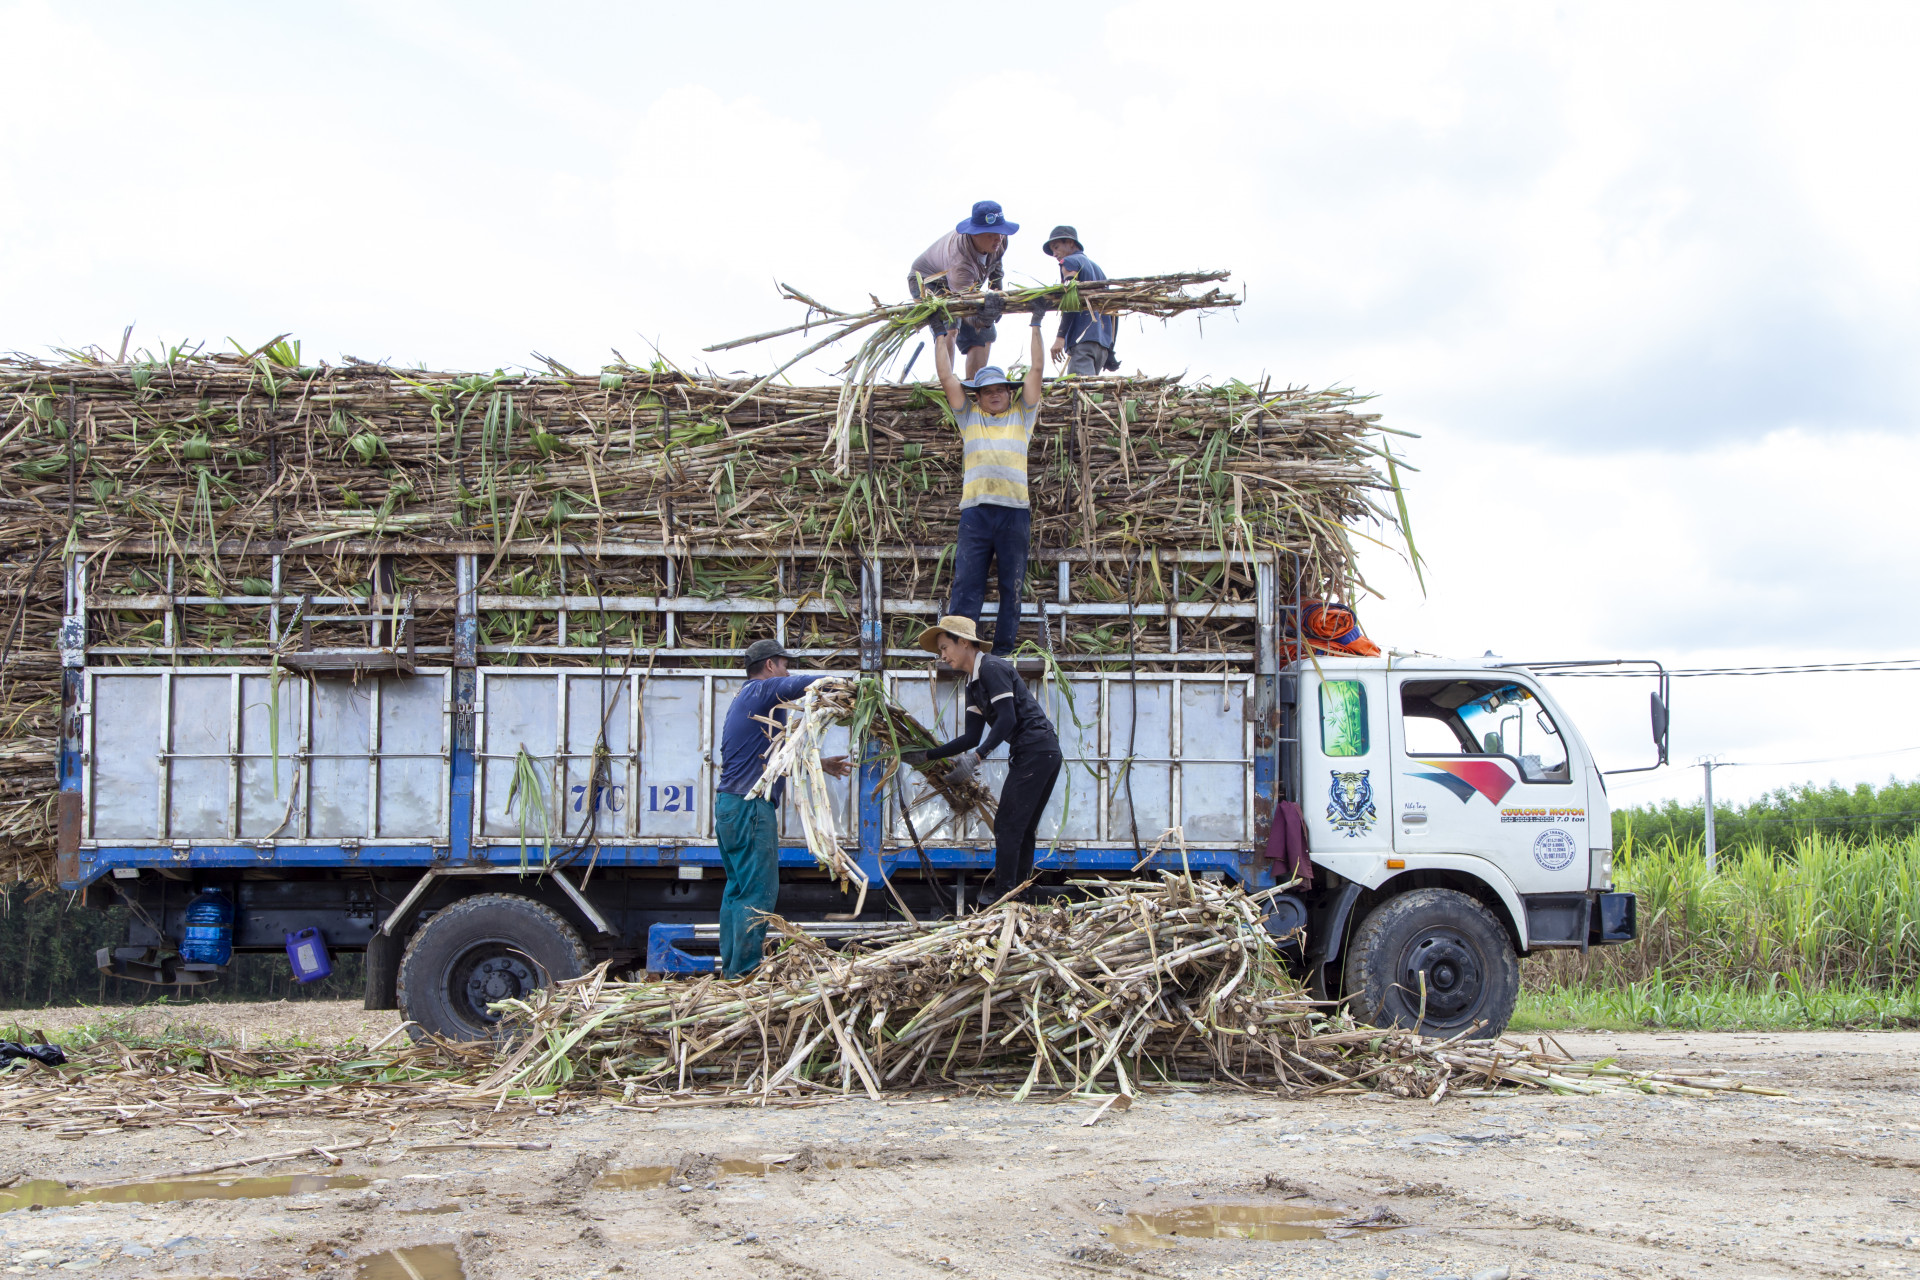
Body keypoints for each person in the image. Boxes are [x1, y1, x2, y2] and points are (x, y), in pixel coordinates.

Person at [714, 638, 850, 978]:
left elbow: (773, 759)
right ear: (771, 665)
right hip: (749, 808)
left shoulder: (748, 702)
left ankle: (732, 972)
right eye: (784, 663)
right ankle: (745, 973)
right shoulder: (760, 691)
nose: (787, 670)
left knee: (737, 890)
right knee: (758, 889)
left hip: (729, 805)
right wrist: (847, 686)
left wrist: (822, 763)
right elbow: (806, 684)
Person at [903, 615, 1062, 905]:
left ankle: (1005, 893)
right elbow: (970, 737)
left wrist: (976, 759)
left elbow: (1007, 719)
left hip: (1037, 750)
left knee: (1007, 824)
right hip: (1036, 752)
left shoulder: (991, 668)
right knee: (1021, 826)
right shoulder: (973, 683)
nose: (942, 656)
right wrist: (928, 755)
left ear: (963, 642)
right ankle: (1019, 892)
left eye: (944, 648)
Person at [933, 296, 1048, 655]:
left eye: (1000, 389)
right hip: (977, 512)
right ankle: (962, 648)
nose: (995, 395)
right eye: (987, 391)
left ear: (1007, 393)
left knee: (1012, 587)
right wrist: (939, 334)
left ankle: (1000, 653)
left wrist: (1036, 323)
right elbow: (946, 376)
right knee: (968, 583)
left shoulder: (1022, 416)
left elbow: (1036, 371)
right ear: (978, 397)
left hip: (1014, 512)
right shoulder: (970, 419)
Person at [910, 200, 1019, 378]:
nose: (998, 238)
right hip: (929, 281)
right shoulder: (960, 262)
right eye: (991, 234)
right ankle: (947, 385)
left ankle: (975, 385)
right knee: (950, 327)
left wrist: (997, 293)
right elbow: (967, 310)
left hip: (967, 287)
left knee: (986, 335)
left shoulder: (1000, 241)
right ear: (975, 234)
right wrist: (985, 317)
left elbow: (996, 267)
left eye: (1000, 232)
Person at [1042, 225, 1120, 377]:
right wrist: (1110, 348)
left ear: (1071, 243)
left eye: (1056, 247)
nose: (1054, 254)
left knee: (1080, 393)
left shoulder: (1069, 262)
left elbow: (1070, 299)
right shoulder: (1099, 270)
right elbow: (1112, 312)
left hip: (1083, 341)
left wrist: (1060, 338)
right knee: (1090, 392)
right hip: (1101, 346)